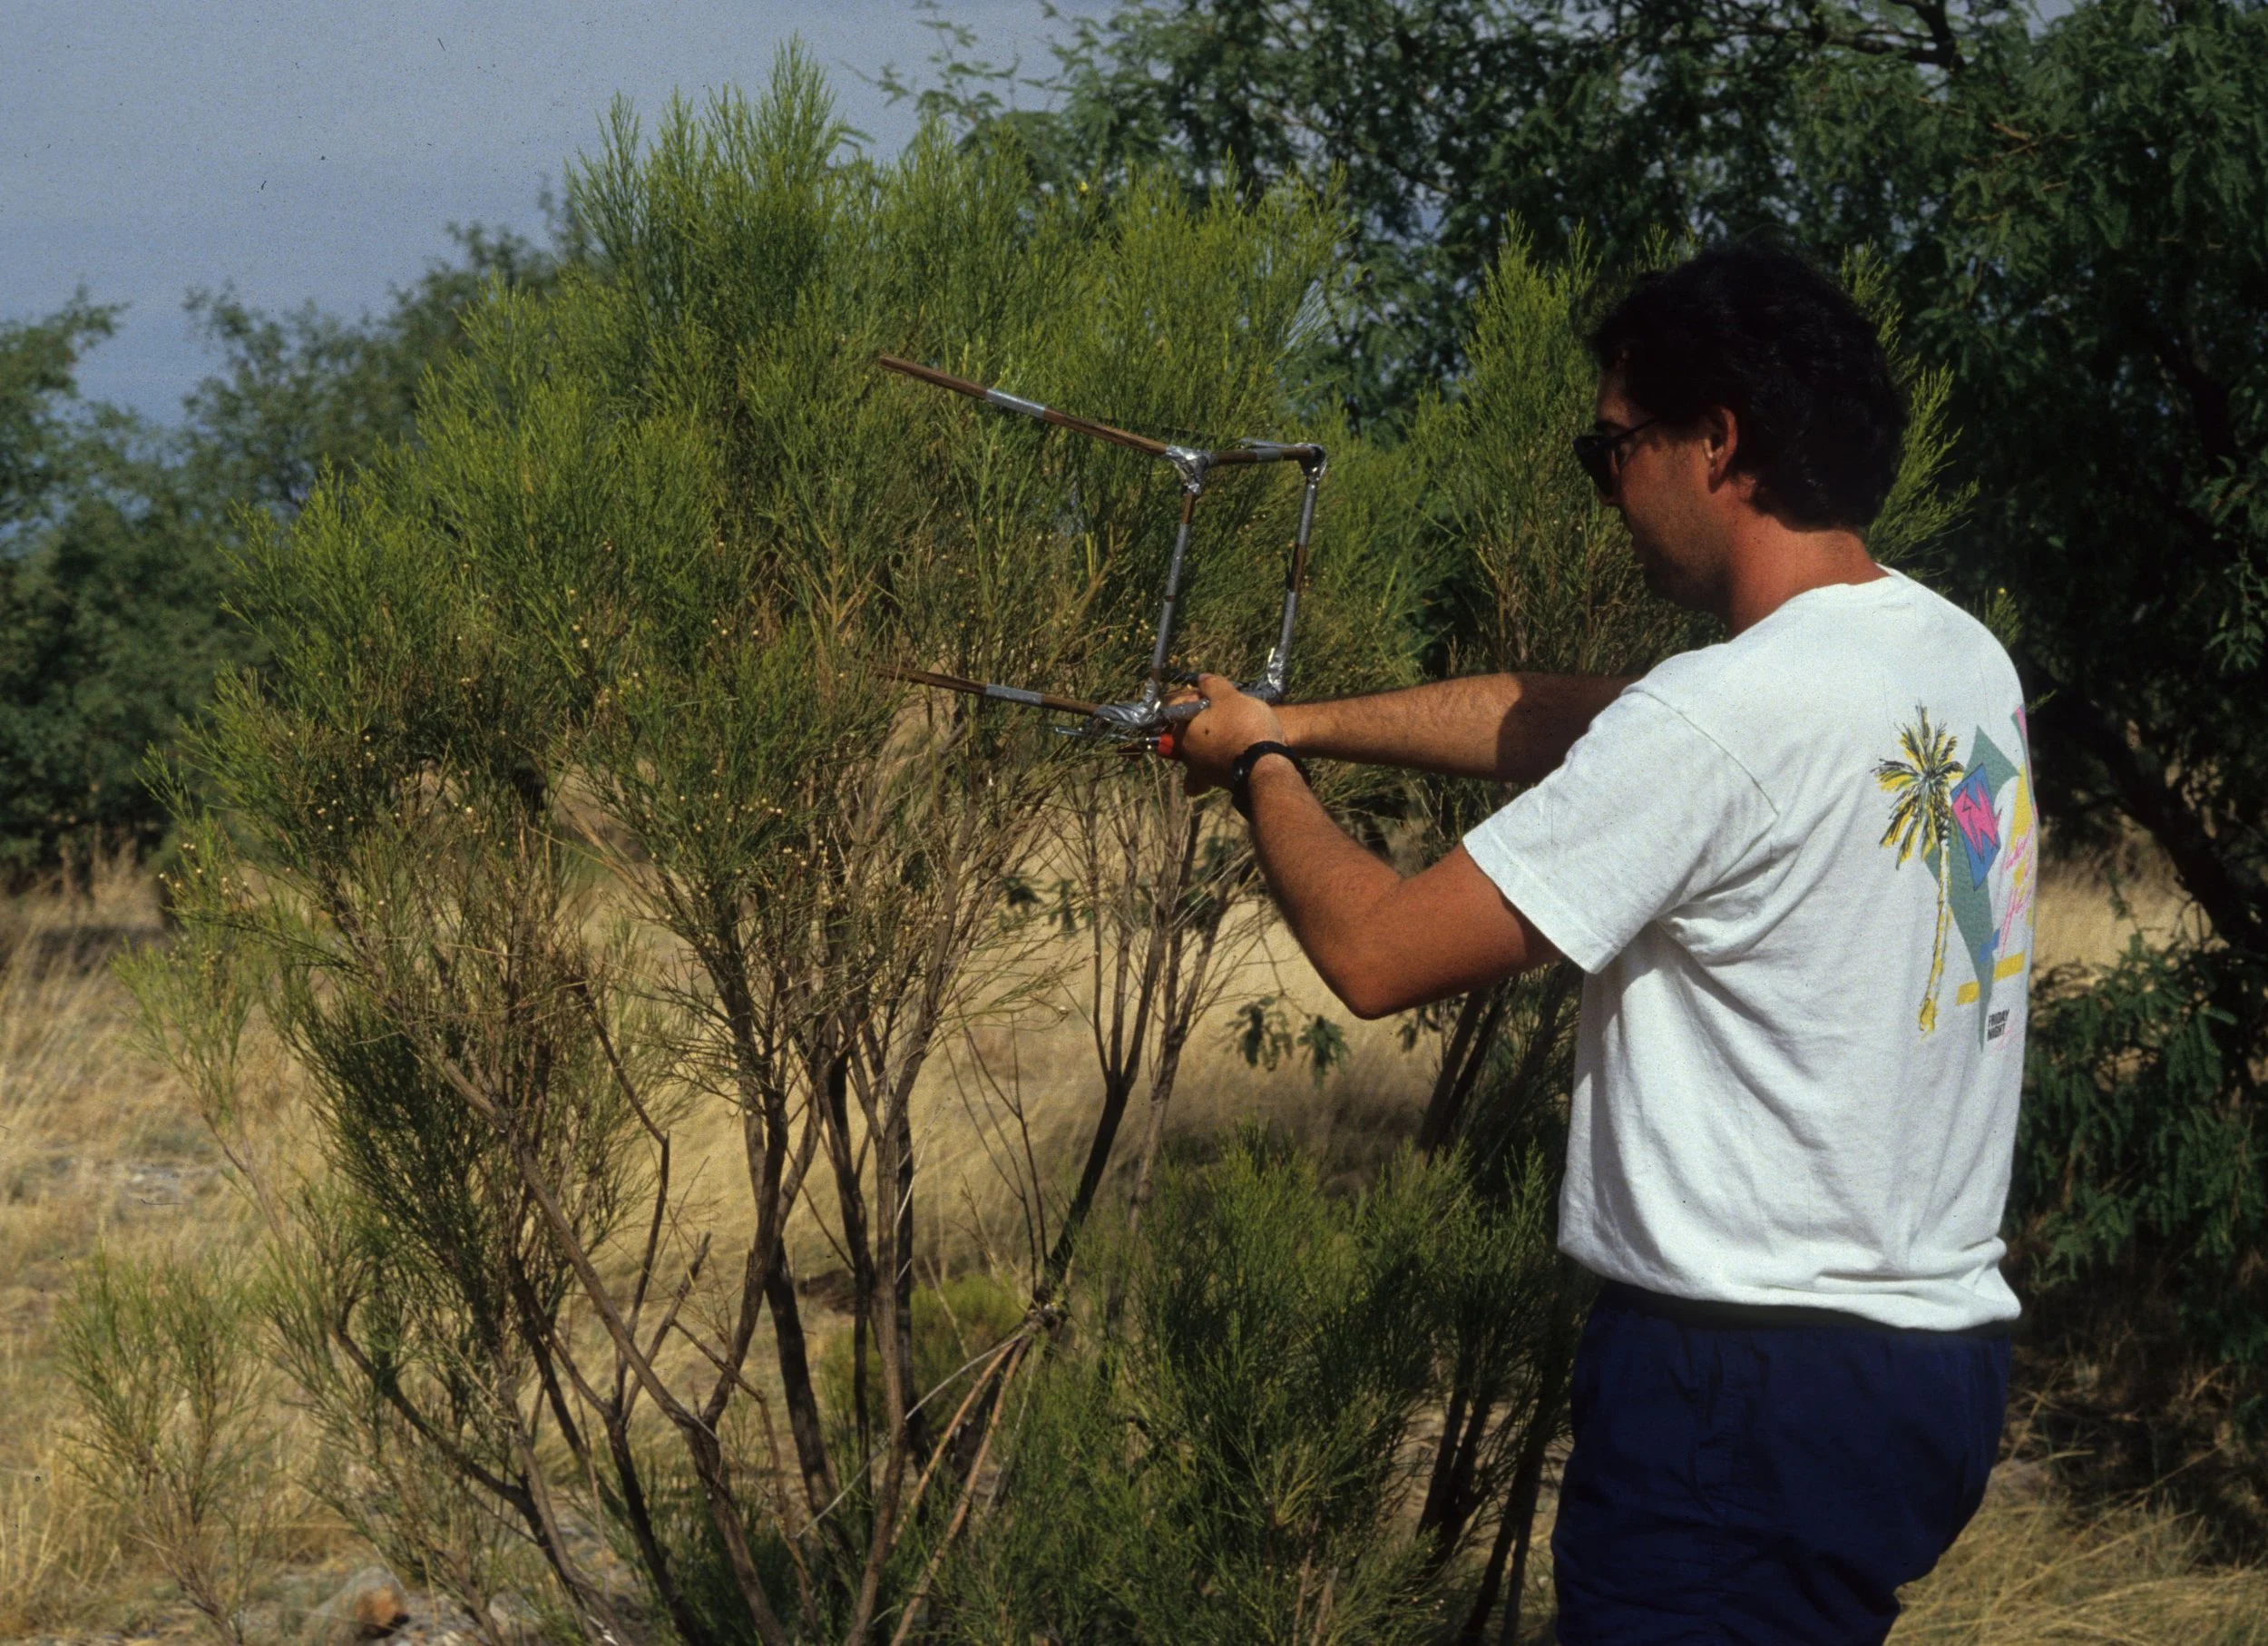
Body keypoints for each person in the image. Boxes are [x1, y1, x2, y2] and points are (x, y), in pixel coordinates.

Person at [1168, 241, 2031, 1644]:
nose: (1609, 488)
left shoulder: (1721, 722)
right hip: (1924, 1369)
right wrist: (1299, 722)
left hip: (1735, 1380)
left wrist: (1252, 775)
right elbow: (1602, 720)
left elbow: (1378, 955)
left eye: (1611, 446)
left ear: (1718, 442)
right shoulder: (1945, 655)